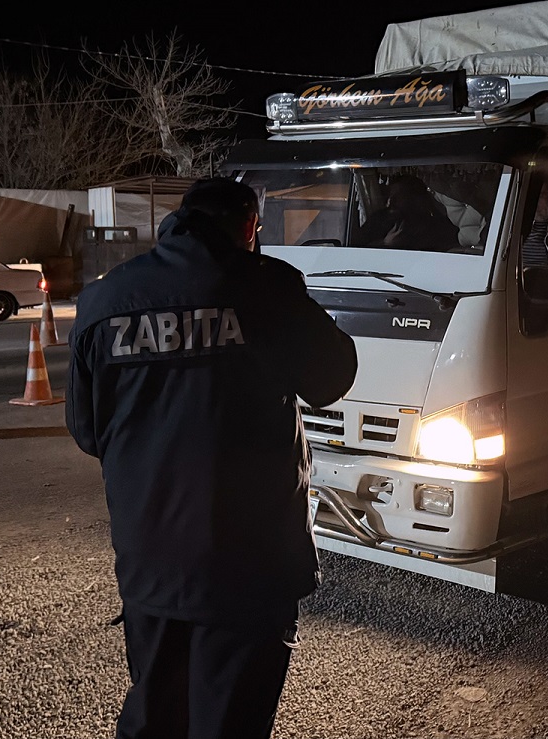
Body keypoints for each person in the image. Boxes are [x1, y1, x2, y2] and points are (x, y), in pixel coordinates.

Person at [65, 178, 358, 739]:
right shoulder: (266, 289)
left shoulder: (105, 300)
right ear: (248, 225)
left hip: (150, 560)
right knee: (229, 720)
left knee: (155, 713)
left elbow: (88, 432)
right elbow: (333, 376)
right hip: (248, 565)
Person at [354, 176, 461, 251]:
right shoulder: (378, 219)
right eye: (391, 195)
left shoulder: (433, 224)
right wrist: (384, 244)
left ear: (414, 198)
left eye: (399, 196)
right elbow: (357, 249)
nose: (392, 201)